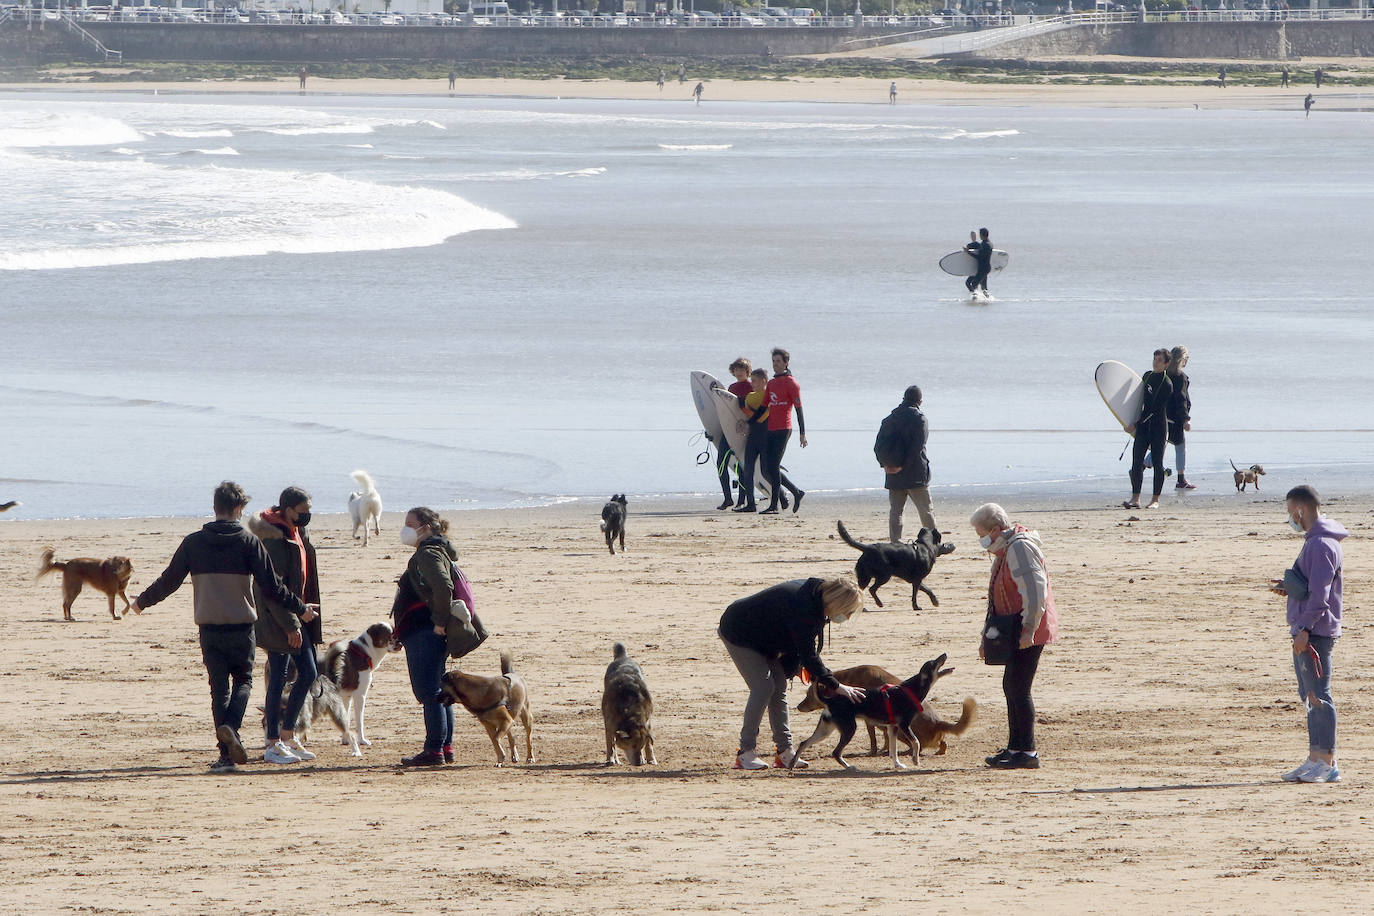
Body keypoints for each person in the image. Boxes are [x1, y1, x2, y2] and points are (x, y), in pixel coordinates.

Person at [130, 481, 313, 773]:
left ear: (215, 507)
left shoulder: (193, 542)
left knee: (218, 690)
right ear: (240, 508)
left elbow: (170, 580)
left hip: (209, 627)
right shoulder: (249, 542)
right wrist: (300, 609)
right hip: (241, 626)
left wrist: (142, 602)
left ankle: (225, 756)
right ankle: (230, 727)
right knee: (243, 681)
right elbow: (273, 587)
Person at [718, 577, 866, 770]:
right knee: (763, 688)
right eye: (847, 611)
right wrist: (836, 685)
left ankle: (785, 752)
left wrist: (793, 668)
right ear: (835, 602)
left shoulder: (816, 599)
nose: (846, 617)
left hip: (766, 638)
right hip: (738, 631)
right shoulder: (803, 607)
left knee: (778, 687)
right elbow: (807, 652)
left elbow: (798, 644)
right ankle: (745, 753)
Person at [970, 503, 1057, 770]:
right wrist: (987, 635)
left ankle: (1027, 751)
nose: (980, 539)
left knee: (1019, 688)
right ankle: (1015, 747)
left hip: (1028, 628)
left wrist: (1029, 628)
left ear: (996, 529)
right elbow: (996, 595)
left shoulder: (1019, 547)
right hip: (1013, 627)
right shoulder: (1006, 548)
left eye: (981, 533)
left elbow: (1034, 589)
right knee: (1012, 686)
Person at [1270, 485, 1346, 784]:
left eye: (1291, 512)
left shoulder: (1321, 545)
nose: (1290, 518)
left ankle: (1327, 762)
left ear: (1300, 510)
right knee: (1309, 695)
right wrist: (1289, 587)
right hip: (1309, 628)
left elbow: (1321, 596)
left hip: (1315, 631)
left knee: (1319, 696)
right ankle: (1315, 758)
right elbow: (1313, 585)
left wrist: (1304, 629)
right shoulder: (1316, 542)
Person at [247, 486, 323, 765]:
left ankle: (288, 735)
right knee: (278, 678)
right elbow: (272, 589)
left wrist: (304, 611)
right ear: (287, 509)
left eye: (309, 511)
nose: (307, 516)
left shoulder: (296, 532)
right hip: (281, 619)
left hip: (299, 614)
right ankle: (273, 742)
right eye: (303, 512)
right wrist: (292, 624)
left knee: (308, 672)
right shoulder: (275, 540)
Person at [390, 506, 460, 766]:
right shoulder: (435, 550)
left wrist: (439, 623)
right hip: (424, 630)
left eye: (410, 524)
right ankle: (445, 746)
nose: (405, 529)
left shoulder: (428, 553)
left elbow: (443, 587)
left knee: (429, 693)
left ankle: (434, 750)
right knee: (440, 691)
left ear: (426, 527)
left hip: (425, 632)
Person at [874, 384, 938, 542]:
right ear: (920, 401)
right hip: (916, 474)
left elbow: (878, 446)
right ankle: (934, 543)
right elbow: (917, 448)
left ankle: (895, 543)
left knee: (896, 511)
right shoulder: (920, 419)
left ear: (903, 399)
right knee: (926, 511)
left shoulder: (889, 419)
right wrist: (903, 466)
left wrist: (886, 465)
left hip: (892, 472)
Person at [735, 368, 800, 513]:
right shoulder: (750, 397)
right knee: (748, 469)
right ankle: (751, 503)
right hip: (753, 437)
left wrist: (745, 410)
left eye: (755, 381)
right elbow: (749, 413)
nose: (752, 384)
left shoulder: (768, 394)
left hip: (766, 437)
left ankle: (789, 494)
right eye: (751, 381)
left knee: (767, 471)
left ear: (764, 381)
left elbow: (763, 414)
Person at [1122, 348, 1173, 510]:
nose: (1155, 362)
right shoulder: (1147, 376)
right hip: (1143, 426)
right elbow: (1138, 402)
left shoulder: (1166, 384)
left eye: (1159, 360)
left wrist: (1134, 425)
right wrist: (1127, 418)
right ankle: (1135, 498)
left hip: (1158, 427)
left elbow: (1154, 410)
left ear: (1166, 364)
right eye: (1154, 359)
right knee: (1137, 462)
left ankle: (1155, 500)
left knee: (1158, 464)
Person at [761, 347, 806, 515]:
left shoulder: (791, 383)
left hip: (783, 429)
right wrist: (747, 422)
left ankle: (774, 505)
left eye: (778, 361)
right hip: (770, 429)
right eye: (773, 361)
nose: (775, 364)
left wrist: (802, 433)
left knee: (772, 467)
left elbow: (799, 409)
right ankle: (796, 491)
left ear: (786, 363)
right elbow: (763, 407)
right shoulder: (771, 383)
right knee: (766, 469)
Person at [964, 227, 993, 299]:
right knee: (983, 288)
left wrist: (968, 253)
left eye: (980, 234)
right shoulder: (989, 244)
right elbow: (977, 246)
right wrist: (969, 247)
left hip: (982, 269)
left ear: (982, 235)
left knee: (972, 284)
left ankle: (976, 299)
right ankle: (987, 300)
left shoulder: (984, 245)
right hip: (986, 268)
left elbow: (980, 257)